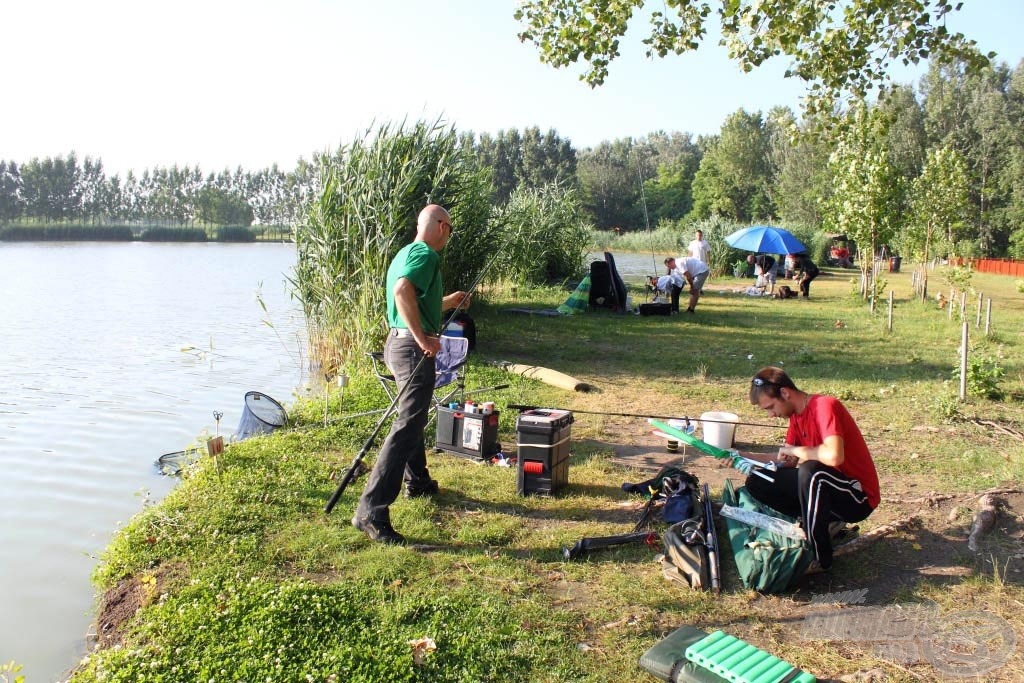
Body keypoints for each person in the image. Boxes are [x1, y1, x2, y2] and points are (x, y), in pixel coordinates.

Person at [352, 204, 470, 545]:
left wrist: (449, 301)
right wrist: (424, 339)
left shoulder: (407, 251)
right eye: (449, 228)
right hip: (410, 347)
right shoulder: (427, 255)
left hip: (395, 343)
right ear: (441, 226)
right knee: (407, 425)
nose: (449, 235)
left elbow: (414, 298)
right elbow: (402, 292)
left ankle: (418, 481)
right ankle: (371, 510)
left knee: (413, 417)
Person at [741, 367, 879, 570]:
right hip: (824, 487)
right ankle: (820, 520)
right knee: (759, 480)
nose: (771, 415)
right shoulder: (796, 418)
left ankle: (819, 555)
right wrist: (741, 456)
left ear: (785, 393)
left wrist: (797, 450)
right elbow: (786, 461)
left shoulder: (824, 406)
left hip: (858, 497)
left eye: (770, 407)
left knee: (811, 471)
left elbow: (834, 455)